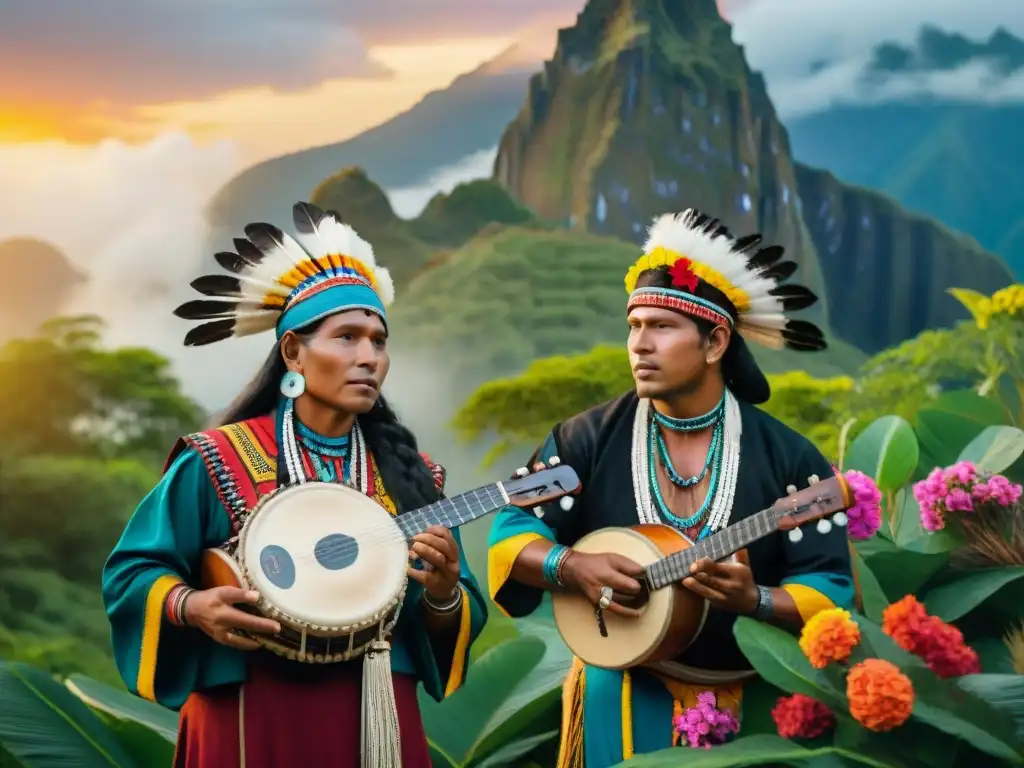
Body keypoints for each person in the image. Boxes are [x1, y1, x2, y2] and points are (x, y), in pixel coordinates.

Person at [102, 202, 487, 768]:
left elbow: (461, 609)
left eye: (378, 342)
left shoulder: (412, 475)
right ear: (292, 353)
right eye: (347, 337)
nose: (368, 358)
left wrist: (443, 590)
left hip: (372, 707)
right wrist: (192, 605)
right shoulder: (217, 459)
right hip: (249, 705)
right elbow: (132, 571)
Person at [487, 209, 855, 766]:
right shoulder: (585, 439)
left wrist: (753, 599)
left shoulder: (790, 458)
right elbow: (511, 529)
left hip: (749, 703)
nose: (639, 344)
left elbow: (830, 586)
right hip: (621, 691)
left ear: (715, 342)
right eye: (634, 326)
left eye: (661, 327)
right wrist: (571, 566)